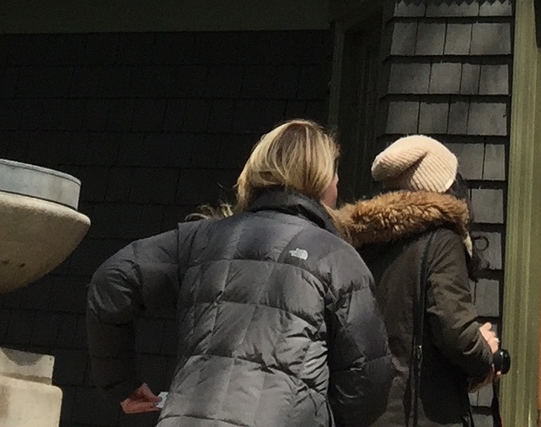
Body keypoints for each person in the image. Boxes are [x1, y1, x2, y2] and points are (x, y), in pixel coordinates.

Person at [87, 118, 393, 427]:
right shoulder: (338, 258)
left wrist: (122, 385)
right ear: (320, 180)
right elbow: (368, 383)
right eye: (335, 174)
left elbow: (113, 280)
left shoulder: (200, 239)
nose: (338, 184)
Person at [334, 133, 503, 426]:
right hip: (420, 416)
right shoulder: (443, 241)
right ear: (444, 187)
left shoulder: (361, 242)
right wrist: (485, 352)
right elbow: (456, 333)